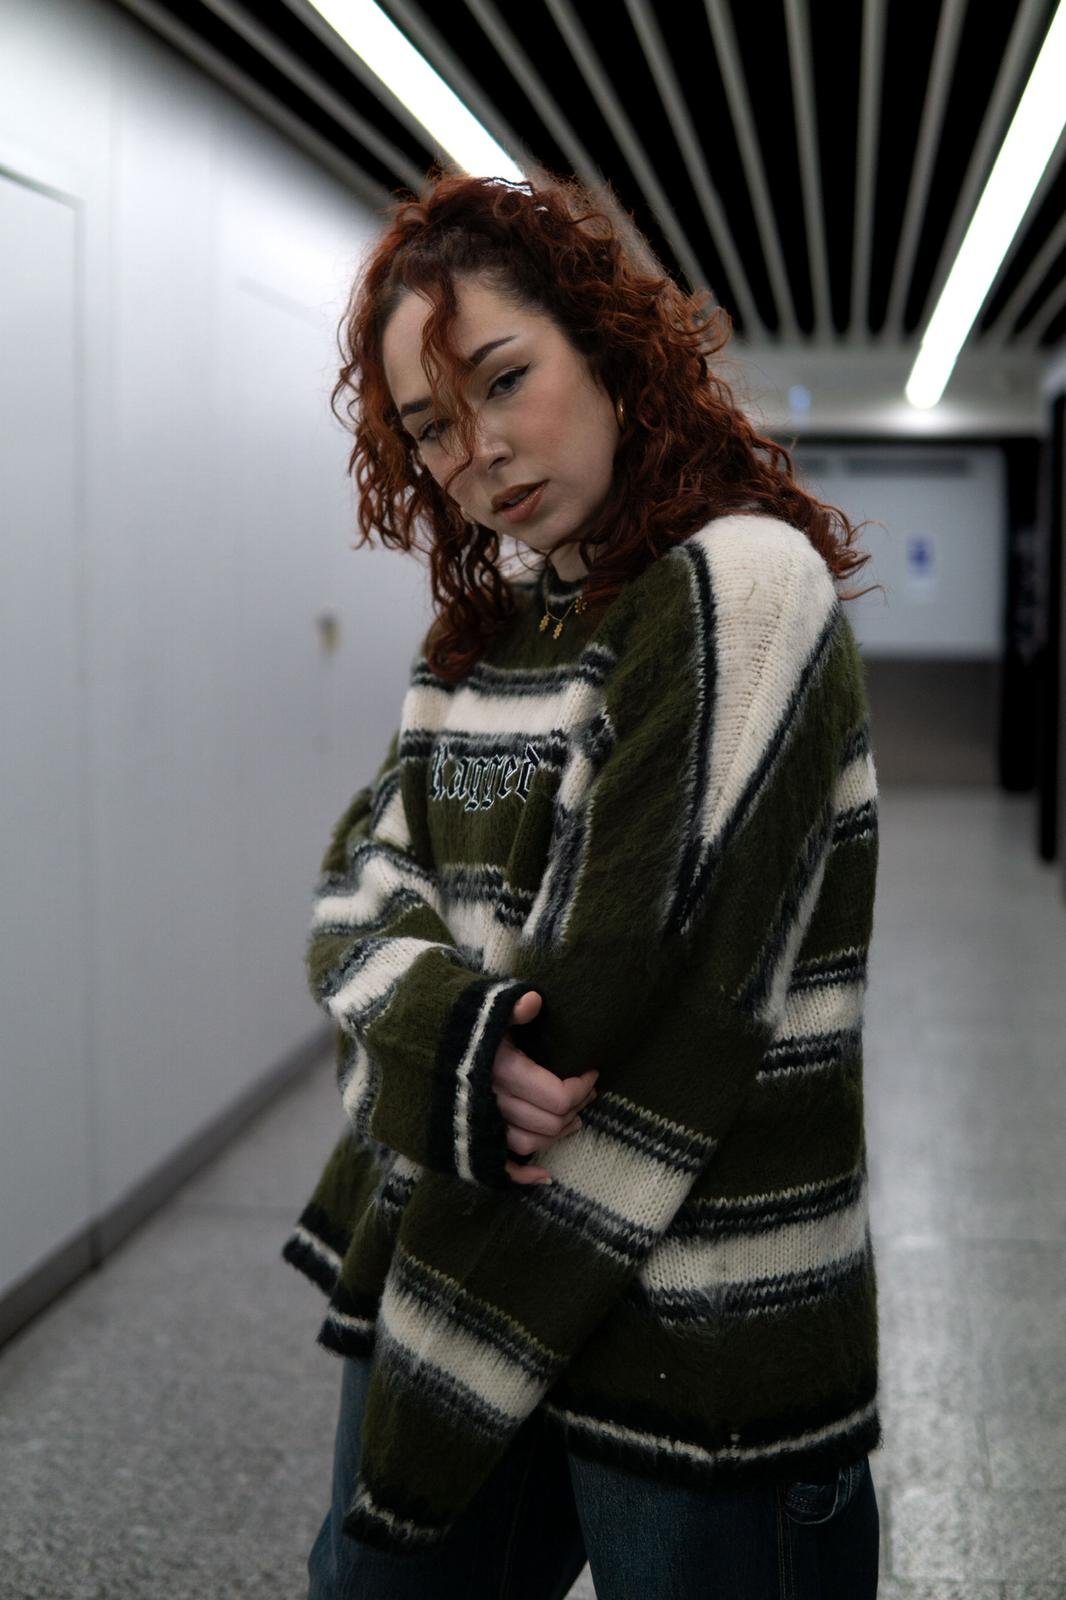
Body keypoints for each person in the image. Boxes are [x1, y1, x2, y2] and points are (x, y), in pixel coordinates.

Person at [281, 166, 884, 1599]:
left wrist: (408, 1056)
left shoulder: (741, 587)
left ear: (604, 346)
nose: (478, 452)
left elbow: (597, 999)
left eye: (502, 378)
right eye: (429, 428)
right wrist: (438, 1041)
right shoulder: (479, 635)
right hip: (466, 1271)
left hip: (698, 1336)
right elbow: (359, 879)